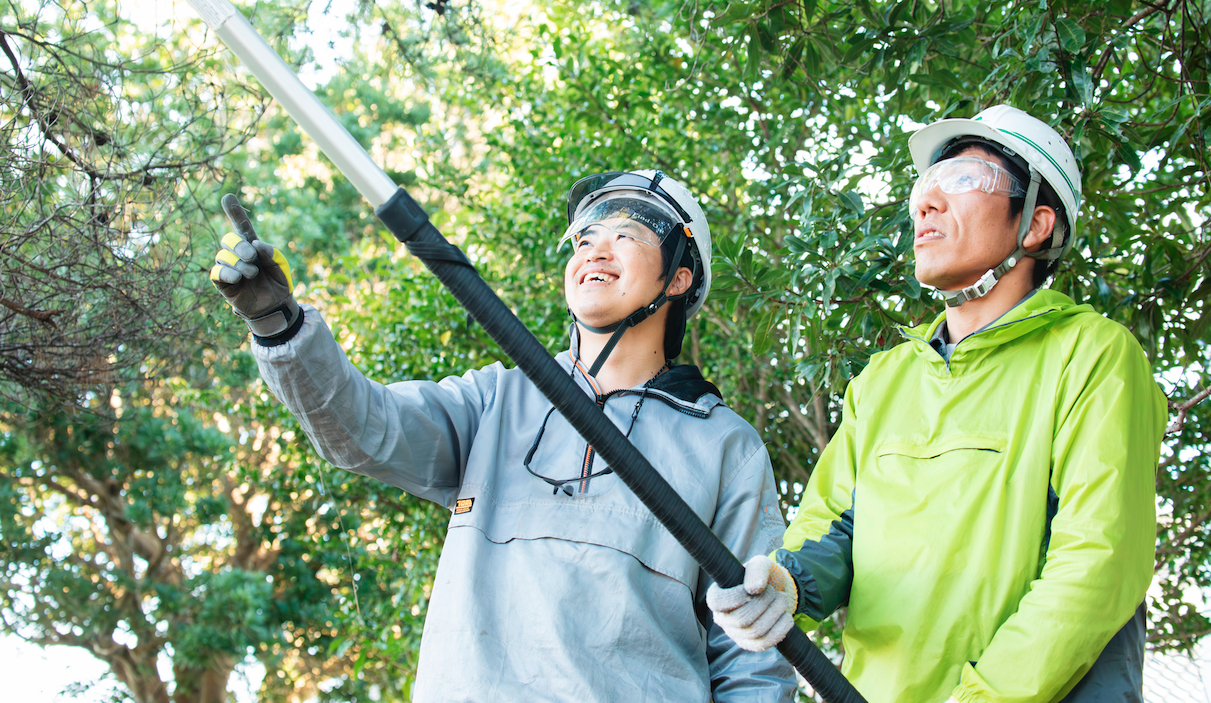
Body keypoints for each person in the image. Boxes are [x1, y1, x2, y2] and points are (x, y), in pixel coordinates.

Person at [211, 170, 797, 702]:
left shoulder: (724, 446)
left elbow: (753, 657)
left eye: (628, 233)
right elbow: (366, 430)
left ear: (680, 278)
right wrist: (278, 324)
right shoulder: (494, 400)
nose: (595, 247)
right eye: (585, 238)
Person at [706, 105, 1167, 703]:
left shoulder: (1093, 355)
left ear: (1035, 225)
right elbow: (837, 529)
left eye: (965, 180)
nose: (925, 204)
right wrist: (786, 584)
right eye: (924, 188)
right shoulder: (886, 378)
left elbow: (1096, 562)